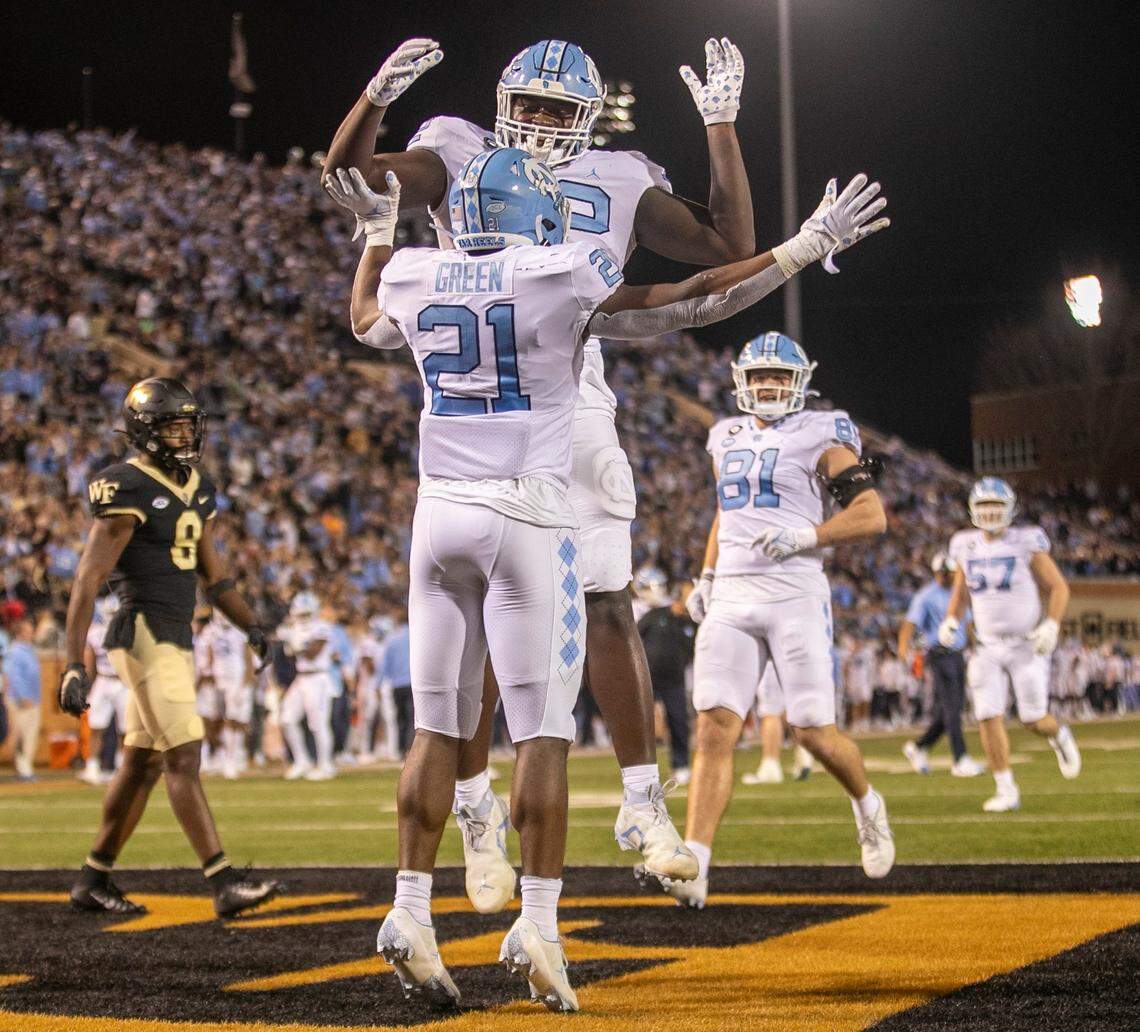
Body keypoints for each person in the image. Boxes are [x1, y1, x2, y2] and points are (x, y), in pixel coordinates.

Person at [326, 138, 883, 1009]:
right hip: (527, 516)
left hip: (437, 519)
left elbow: (362, 317)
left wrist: (378, 229)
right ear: (538, 213)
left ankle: (408, 909)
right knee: (542, 732)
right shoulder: (561, 271)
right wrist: (801, 248)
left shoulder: (417, 271)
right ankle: (539, 927)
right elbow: (692, 298)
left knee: (436, 731)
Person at [323, 34, 758, 904]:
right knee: (481, 621)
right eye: (532, 107)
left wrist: (720, 127)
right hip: (483, 401)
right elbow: (352, 180)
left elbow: (723, 247)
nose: (543, 125)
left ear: (588, 120)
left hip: (575, 394)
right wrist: (373, 97)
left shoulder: (622, 176)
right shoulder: (456, 150)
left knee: (605, 599)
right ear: (502, 104)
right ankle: (479, 812)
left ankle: (641, 802)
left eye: (562, 112)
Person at [650, 332, 896, 909]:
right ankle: (698, 862)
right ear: (741, 380)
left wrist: (809, 534)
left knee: (812, 733)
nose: (767, 386)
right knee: (713, 727)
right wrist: (706, 577)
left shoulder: (822, 431)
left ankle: (867, 804)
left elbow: (871, 514)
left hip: (793, 591)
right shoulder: (724, 435)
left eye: (778, 377)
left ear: (799, 383)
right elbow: (725, 513)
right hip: (733, 593)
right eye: (758, 376)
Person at [57, 377, 280, 916]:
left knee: (141, 764)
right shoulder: (125, 485)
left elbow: (216, 576)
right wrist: (71, 664)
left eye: (187, 424)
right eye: (172, 425)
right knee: (184, 753)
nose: (184, 434)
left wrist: (251, 625)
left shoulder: (195, 486)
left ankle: (94, 878)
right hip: (142, 632)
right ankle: (223, 880)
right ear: (144, 431)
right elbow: (87, 578)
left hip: (175, 634)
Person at [940, 477, 1081, 812]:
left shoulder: (1024, 540)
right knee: (987, 715)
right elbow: (961, 593)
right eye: (984, 506)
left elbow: (1059, 587)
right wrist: (951, 620)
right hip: (986, 646)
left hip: (1026, 645)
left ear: (1010, 509)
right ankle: (1006, 788)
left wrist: (1052, 623)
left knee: (1033, 719)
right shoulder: (964, 543)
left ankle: (1059, 735)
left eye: (997, 506)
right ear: (973, 509)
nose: (990, 513)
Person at [899, 554, 983, 777]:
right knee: (952, 709)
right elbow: (910, 623)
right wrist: (903, 648)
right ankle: (960, 758)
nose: (948, 576)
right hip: (939, 654)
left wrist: (976, 645)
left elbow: (968, 623)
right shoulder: (926, 596)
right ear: (938, 573)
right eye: (945, 573)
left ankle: (919, 747)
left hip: (958, 654)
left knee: (950, 709)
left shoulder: (959, 593)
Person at [636, 575, 696, 784]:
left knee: (679, 722)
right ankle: (639, 770)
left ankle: (681, 765)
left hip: (675, 679)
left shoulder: (691, 624)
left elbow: (693, 651)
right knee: (641, 724)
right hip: (649, 679)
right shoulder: (655, 615)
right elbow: (634, 637)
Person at [279, 592, 336, 781]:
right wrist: (293, 642)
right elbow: (288, 654)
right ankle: (302, 761)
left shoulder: (322, 627)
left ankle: (326, 765)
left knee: (318, 724)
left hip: (318, 678)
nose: (303, 618)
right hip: (301, 678)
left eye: (306, 614)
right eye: (300, 614)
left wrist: (295, 643)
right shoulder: (294, 629)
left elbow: (313, 652)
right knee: (287, 719)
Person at [80, 593, 128, 785]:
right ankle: (92, 767)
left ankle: (122, 768)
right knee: (96, 726)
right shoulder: (95, 632)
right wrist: (87, 686)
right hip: (104, 679)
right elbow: (89, 663)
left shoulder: (129, 631)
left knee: (126, 729)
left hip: (124, 682)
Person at [740, 664, 814, 785]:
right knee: (784, 708)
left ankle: (770, 766)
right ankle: (804, 751)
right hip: (793, 661)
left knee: (770, 712)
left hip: (773, 662)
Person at [4, 616, 41, 782]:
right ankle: (23, 768)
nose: (32, 633)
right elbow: (14, 676)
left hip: (33, 698)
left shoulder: (28, 650)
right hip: (22, 700)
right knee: (21, 734)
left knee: (29, 734)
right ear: (19, 633)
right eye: (28, 630)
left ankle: (25, 766)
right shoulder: (16, 651)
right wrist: (23, 696)